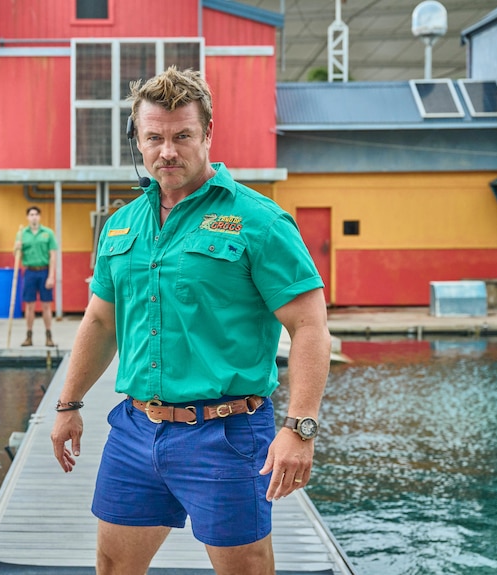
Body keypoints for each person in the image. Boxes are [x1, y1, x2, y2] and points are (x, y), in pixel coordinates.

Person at [50, 66, 331, 575]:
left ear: (207, 135)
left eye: (182, 136)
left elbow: (310, 326)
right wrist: (68, 404)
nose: (168, 151)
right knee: (112, 566)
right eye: (154, 137)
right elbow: (99, 321)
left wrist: (300, 428)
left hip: (226, 435)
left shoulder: (258, 220)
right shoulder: (121, 225)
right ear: (137, 139)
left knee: (245, 569)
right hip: (135, 430)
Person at [15, 206, 57, 347]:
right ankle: (29, 336)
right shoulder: (22, 234)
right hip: (30, 272)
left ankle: (49, 336)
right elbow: (16, 256)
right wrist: (17, 247)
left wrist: (51, 276)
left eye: (36, 214)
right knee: (29, 306)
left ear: (39, 217)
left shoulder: (48, 233)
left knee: (46, 305)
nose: (34, 217)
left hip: (44, 271)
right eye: (31, 214)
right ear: (27, 217)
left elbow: (53, 256)